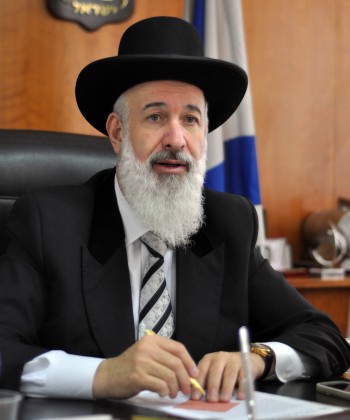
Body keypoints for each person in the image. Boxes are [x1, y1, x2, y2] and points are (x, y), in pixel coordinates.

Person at [0, 16, 349, 403]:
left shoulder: (227, 223)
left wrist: (258, 358)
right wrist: (102, 374)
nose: (176, 139)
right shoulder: (48, 223)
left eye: (190, 119)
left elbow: (324, 337)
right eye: (155, 117)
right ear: (117, 133)